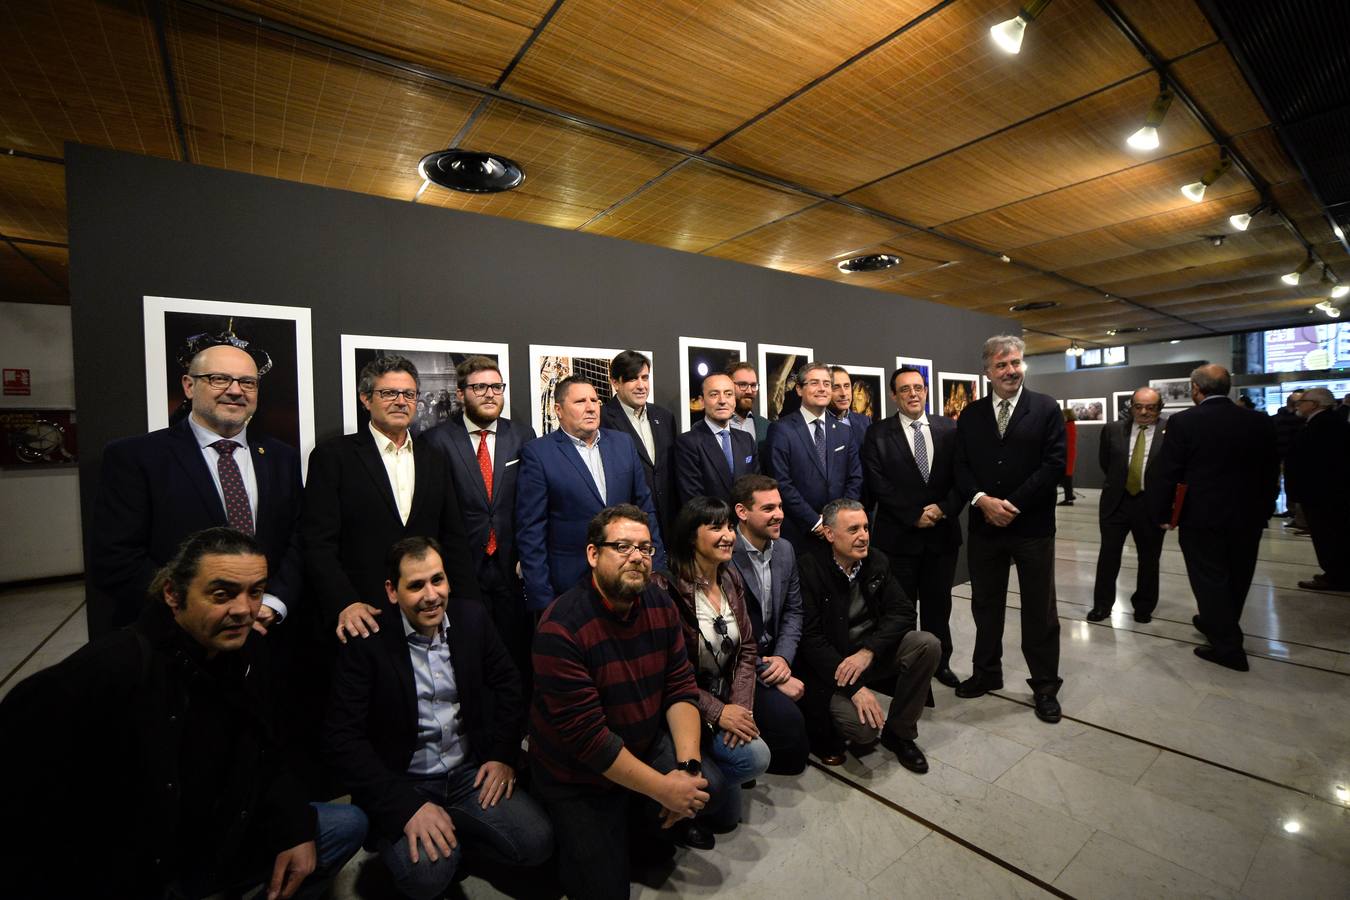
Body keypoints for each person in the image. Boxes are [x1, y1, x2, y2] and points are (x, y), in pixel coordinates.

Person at [0, 528, 367, 899]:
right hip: (143, 865)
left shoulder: (250, 653)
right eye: (222, 594)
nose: (244, 610)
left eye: (255, 592)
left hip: (222, 837)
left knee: (345, 825)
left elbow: (268, 751)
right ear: (173, 595)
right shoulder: (110, 669)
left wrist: (295, 829)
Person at [324, 537, 552, 899]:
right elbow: (343, 737)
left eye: (438, 580)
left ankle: (457, 830)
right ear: (392, 591)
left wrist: (501, 755)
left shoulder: (472, 618)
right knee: (427, 878)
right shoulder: (368, 641)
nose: (431, 595)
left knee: (536, 843)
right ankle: (418, 835)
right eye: (416, 585)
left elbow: (510, 684)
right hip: (404, 782)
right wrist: (404, 807)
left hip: (468, 773)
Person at [530, 505, 719, 899]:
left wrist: (686, 768)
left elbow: (680, 684)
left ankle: (640, 816)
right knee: (606, 890)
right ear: (593, 555)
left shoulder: (658, 603)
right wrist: (664, 790)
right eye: (622, 546)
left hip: (642, 745)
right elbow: (590, 742)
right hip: (578, 776)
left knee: (711, 793)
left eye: (646, 549)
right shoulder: (561, 627)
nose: (637, 557)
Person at [89, 340, 302, 636]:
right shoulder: (136, 457)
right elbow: (115, 557)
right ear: (189, 386)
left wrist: (271, 602)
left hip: (265, 631)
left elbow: (297, 538)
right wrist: (196, 610)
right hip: (174, 634)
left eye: (247, 382)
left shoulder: (282, 457)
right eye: (219, 379)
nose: (236, 390)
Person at [302, 355, 480, 643]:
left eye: (409, 394)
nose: (401, 401)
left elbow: (453, 538)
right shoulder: (333, 457)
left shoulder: (434, 458)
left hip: (429, 615)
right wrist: (344, 602)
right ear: (365, 398)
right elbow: (317, 542)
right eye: (389, 393)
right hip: (362, 616)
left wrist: (469, 607)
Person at [954, 335, 1066, 723]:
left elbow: (1053, 465)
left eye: (1016, 363)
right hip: (985, 527)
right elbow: (961, 467)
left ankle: (1046, 686)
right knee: (985, 605)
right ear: (987, 371)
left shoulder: (1046, 408)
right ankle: (987, 673)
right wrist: (982, 500)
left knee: (1039, 610)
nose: (1010, 371)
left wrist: (1013, 505)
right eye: (1001, 365)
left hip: (1032, 527)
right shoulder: (970, 415)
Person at [652, 497, 771, 828]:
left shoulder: (730, 576)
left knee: (756, 758)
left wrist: (740, 708)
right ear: (692, 536)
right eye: (716, 527)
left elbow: (747, 647)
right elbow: (667, 675)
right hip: (684, 704)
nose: (729, 535)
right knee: (723, 802)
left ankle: (711, 774)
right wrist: (719, 713)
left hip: (726, 695)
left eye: (730, 526)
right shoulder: (664, 587)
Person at [1151, 365, 1279, 671]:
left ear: (1196, 388)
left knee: (1209, 579)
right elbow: (1271, 469)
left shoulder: (1184, 422)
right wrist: (1266, 508)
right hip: (1248, 516)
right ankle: (1217, 623)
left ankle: (1228, 648)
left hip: (1201, 516)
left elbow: (1168, 472)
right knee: (1238, 575)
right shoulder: (1258, 421)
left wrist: (1161, 514)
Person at [797, 500, 940, 772]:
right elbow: (810, 640)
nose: (863, 536)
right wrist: (855, 688)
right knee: (864, 732)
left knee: (926, 645)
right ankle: (824, 725)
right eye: (853, 530)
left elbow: (904, 613)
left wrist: (868, 652)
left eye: (865, 527)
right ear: (829, 534)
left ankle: (900, 734)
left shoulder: (876, 560)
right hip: (832, 669)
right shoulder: (808, 568)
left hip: (868, 656)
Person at [423, 356, 537, 687]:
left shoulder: (522, 436)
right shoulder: (437, 440)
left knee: (516, 654)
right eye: (479, 387)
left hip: (512, 566)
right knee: (470, 656)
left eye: (496, 387)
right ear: (460, 394)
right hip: (463, 566)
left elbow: (530, 501)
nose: (490, 394)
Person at [516, 375, 665, 612]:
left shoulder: (623, 444)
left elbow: (645, 508)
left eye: (595, 400)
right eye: (580, 402)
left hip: (626, 577)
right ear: (558, 410)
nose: (590, 407)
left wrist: (656, 568)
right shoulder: (539, 453)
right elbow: (531, 531)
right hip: (569, 585)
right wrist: (542, 598)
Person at [861, 366, 962, 687]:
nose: (913, 394)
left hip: (941, 536)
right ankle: (903, 667)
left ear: (926, 391)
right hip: (898, 539)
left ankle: (940, 663)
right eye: (905, 389)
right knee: (899, 609)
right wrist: (913, 514)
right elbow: (878, 483)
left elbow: (964, 476)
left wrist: (943, 509)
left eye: (918, 387)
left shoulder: (950, 429)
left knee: (939, 606)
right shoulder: (877, 433)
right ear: (894, 395)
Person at [730, 474, 810, 775]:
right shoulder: (725, 555)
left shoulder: (785, 550)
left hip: (778, 655)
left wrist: (782, 659)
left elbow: (793, 611)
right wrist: (770, 674)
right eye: (768, 509)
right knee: (794, 749)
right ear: (742, 512)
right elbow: (730, 637)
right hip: (743, 666)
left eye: (779, 506)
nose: (779, 514)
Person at [766, 361, 863, 553]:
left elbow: (855, 478)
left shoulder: (844, 431)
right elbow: (781, 482)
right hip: (800, 533)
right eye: (814, 383)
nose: (822, 389)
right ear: (800, 389)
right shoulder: (782, 430)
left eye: (827, 384)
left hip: (839, 535)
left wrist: (840, 519)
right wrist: (814, 520)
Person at [1090, 387, 1166, 623]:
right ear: (1131, 407)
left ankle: (1143, 607)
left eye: (1150, 407)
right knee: (1108, 556)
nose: (1144, 412)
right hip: (1117, 503)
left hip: (1151, 504)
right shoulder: (1113, 429)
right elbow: (1106, 462)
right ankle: (1102, 605)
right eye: (1138, 406)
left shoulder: (1170, 431)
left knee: (1149, 559)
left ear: (1159, 408)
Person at [601, 350, 677, 536]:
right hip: (627, 526)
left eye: (645, 377)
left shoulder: (664, 417)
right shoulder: (602, 420)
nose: (641, 385)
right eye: (632, 379)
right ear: (615, 382)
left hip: (669, 524)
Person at [1284, 388, 1350, 592]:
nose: (1298, 405)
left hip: (1323, 492)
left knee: (1328, 534)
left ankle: (1336, 575)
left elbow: (1316, 460)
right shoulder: (1329, 422)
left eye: (1303, 401)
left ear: (1315, 404)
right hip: (1327, 491)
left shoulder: (1324, 425)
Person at [675, 372, 760, 505]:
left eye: (728, 394)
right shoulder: (687, 443)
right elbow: (694, 498)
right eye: (714, 394)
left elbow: (756, 488)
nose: (722, 400)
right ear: (702, 401)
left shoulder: (746, 440)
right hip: (712, 523)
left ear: (734, 400)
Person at [1272, 389, 1306, 517]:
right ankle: (1294, 512)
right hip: (1287, 456)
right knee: (1290, 483)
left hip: (1286, 455)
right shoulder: (1300, 420)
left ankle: (1294, 512)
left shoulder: (1278, 418)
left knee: (1290, 484)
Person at [727, 361, 771, 446]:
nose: (749, 391)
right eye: (743, 385)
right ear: (728, 386)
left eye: (753, 385)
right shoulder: (715, 425)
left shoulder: (766, 426)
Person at [828, 366, 872, 441]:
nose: (843, 393)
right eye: (836, 387)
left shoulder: (865, 421)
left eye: (846, 386)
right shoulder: (820, 424)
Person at [1058, 406, 1078, 506]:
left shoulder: (1067, 426)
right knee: (1067, 477)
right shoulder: (1071, 424)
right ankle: (1070, 495)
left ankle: (1068, 498)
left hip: (1066, 454)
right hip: (1069, 453)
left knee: (1066, 478)